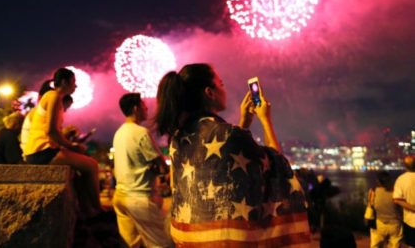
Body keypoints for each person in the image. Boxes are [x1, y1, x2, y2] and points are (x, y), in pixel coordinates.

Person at [154, 63, 310, 247]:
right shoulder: (229, 134)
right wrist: (265, 119)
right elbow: (278, 167)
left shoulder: (179, 138)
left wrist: (244, 122)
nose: (224, 88)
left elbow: (225, 162)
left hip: (189, 239)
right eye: (221, 84)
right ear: (209, 92)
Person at [23, 67, 102, 219]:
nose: (76, 86)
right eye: (74, 82)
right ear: (64, 82)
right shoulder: (53, 96)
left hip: (40, 151)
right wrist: (71, 146)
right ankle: (98, 209)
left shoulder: (52, 98)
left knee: (79, 174)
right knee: (92, 165)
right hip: (41, 152)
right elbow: (51, 131)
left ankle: (89, 211)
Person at [112, 93, 172, 248]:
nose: (147, 108)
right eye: (144, 105)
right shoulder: (141, 132)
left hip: (120, 196)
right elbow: (162, 166)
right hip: (139, 198)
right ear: (135, 108)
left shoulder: (118, 133)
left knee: (131, 244)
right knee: (161, 244)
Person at [368, 171, 402, 248]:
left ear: (378, 181)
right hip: (395, 224)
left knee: (376, 245)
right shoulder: (395, 191)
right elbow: (400, 207)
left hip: (380, 223)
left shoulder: (373, 191)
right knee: (394, 245)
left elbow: (371, 204)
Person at [394, 156, 415, 247]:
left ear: (405, 166)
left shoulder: (401, 179)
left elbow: (397, 200)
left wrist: (412, 208)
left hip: (410, 221)